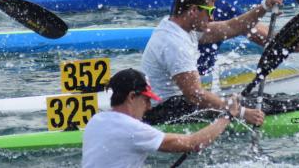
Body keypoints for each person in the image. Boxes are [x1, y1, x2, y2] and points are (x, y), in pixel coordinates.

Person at [141, 0, 282, 126]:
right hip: (166, 113)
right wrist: (242, 112)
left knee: (257, 99)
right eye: (210, 11)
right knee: (254, 105)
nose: (212, 17)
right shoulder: (174, 43)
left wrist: (265, 6)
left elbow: (232, 26)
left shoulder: (181, 26)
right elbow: (196, 95)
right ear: (194, 10)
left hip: (173, 104)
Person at [82, 68, 235, 168]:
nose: (149, 106)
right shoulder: (133, 130)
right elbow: (193, 143)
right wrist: (226, 116)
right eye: (146, 100)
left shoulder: (96, 120)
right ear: (132, 97)